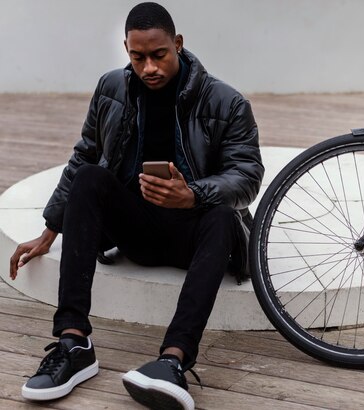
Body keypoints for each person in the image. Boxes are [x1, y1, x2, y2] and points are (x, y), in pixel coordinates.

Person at [9, 2, 263, 409]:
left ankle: (172, 361)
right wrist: (51, 227)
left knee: (220, 216)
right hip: (137, 231)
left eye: (159, 55)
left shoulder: (226, 102)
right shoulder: (111, 88)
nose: (149, 68)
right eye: (137, 56)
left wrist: (193, 194)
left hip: (197, 232)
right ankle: (74, 344)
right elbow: (84, 157)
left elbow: (246, 177)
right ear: (126, 49)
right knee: (91, 177)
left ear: (177, 44)